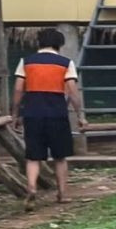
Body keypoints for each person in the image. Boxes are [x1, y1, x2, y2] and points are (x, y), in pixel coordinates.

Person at [11, 27, 87, 211]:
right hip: (57, 113)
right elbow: (73, 92)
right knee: (60, 157)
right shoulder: (65, 63)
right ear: (59, 44)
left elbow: (18, 90)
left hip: (32, 113)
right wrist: (80, 115)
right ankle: (62, 193)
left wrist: (15, 114)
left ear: (39, 43)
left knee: (33, 157)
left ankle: (31, 187)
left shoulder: (26, 62)